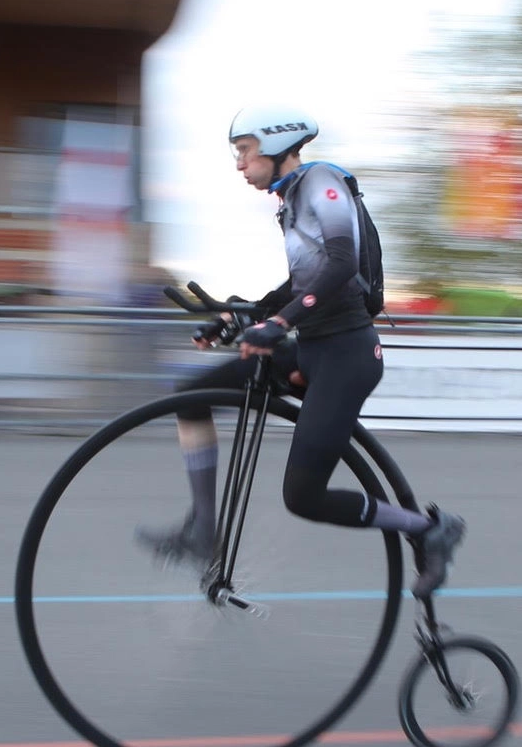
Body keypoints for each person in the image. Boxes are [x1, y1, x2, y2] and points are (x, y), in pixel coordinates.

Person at [136, 105, 465, 598]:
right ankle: (204, 530)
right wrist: (243, 315)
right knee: (191, 394)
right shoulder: (290, 202)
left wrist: (280, 323)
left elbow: (340, 263)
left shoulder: (321, 182)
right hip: (310, 347)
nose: (240, 164)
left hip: (346, 357)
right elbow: (304, 281)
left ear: (273, 144)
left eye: (244, 152)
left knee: (304, 497)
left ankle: (427, 529)